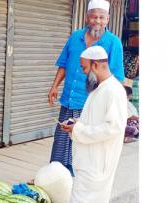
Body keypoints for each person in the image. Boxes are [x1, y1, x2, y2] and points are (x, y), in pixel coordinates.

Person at [48, 0, 124, 176]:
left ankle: (76, 179)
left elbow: (117, 78)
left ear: (108, 19)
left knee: (82, 146)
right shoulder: (75, 37)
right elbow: (64, 64)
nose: (97, 21)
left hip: (90, 104)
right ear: (86, 17)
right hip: (68, 100)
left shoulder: (113, 43)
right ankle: (57, 177)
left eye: (101, 17)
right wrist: (54, 87)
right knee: (61, 143)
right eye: (93, 17)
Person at [60, 46, 127, 203]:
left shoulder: (113, 91)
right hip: (88, 161)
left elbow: (112, 128)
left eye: (83, 68)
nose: (82, 72)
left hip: (97, 164)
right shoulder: (99, 89)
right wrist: (76, 124)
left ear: (96, 65)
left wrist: (78, 130)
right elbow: (93, 121)